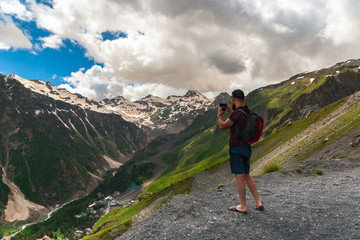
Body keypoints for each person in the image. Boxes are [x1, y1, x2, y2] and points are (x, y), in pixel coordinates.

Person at [217, 89, 264, 214]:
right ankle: (258, 202)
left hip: (237, 148)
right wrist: (230, 111)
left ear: (233, 98)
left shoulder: (236, 114)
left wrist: (219, 114)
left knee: (239, 176)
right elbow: (238, 119)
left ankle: (243, 206)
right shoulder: (246, 111)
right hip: (246, 147)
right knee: (247, 175)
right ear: (243, 99)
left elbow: (222, 126)